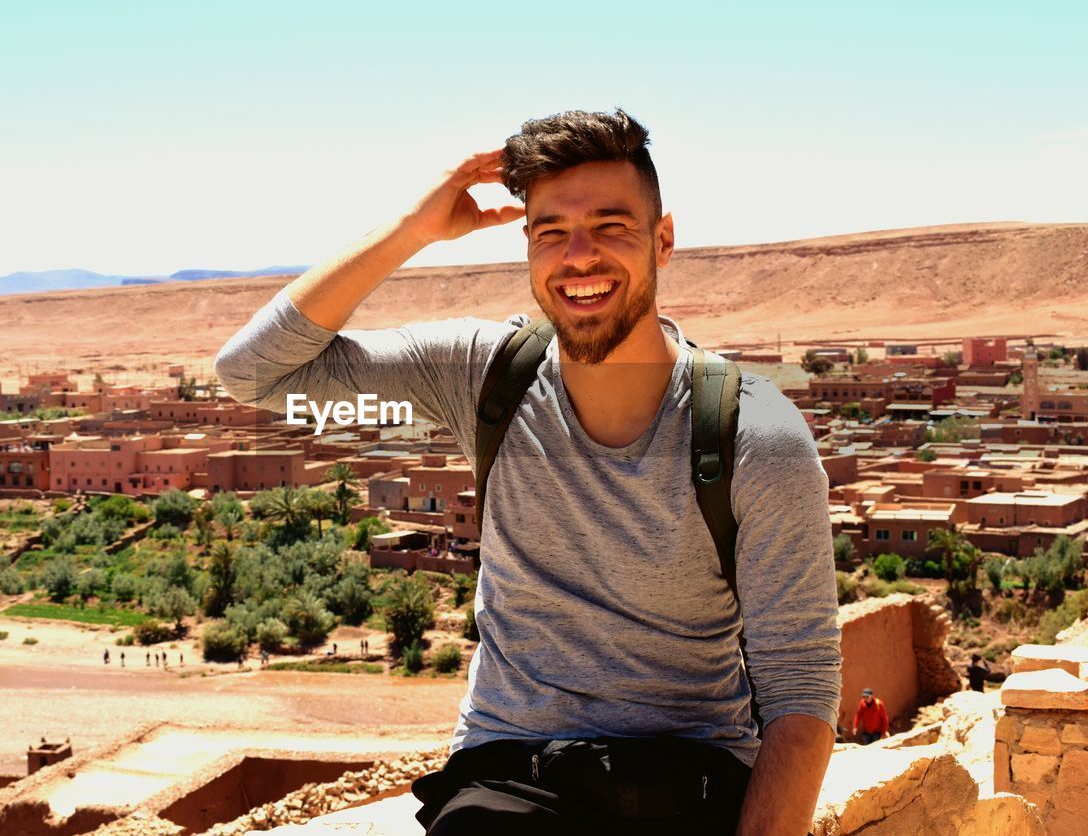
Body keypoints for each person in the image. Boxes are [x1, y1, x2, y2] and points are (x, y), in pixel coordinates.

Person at [215, 109, 841, 835]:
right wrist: (414, 231)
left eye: (611, 225)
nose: (580, 256)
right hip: (515, 774)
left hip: (689, 775)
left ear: (663, 240)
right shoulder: (484, 376)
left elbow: (800, 683)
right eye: (552, 232)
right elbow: (253, 371)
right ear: (527, 249)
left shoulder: (752, 434)